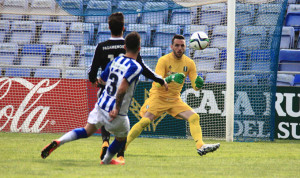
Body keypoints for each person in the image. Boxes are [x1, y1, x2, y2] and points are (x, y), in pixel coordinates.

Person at [41, 32, 144, 165]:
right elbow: (123, 87)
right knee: (121, 138)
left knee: (86, 131)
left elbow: (101, 80)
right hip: (116, 112)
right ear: (139, 49)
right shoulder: (136, 67)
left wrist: (100, 83)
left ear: (124, 47)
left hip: (101, 105)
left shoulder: (115, 61)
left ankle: (60, 141)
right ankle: (106, 161)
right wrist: (117, 108)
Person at [88, 12, 167, 163]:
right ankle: (120, 155)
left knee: (103, 115)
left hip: (106, 87)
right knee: (122, 123)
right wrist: (160, 79)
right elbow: (143, 68)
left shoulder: (101, 46)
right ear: (123, 28)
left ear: (109, 27)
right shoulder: (130, 44)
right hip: (123, 87)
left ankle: (105, 141)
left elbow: (93, 71)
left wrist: (95, 81)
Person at [125, 34, 220, 156]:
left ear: (185, 47)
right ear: (171, 46)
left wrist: (199, 83)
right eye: (177, 45)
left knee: (194, 117)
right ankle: (124, 145)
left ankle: (200, 146)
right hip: (158, 97)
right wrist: (171, 78)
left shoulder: (189, 63)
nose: (179, 48)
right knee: (145, 122)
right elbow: (157, 83)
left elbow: (195, 87)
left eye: (182, 46)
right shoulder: (163, 60)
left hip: (174, 100)